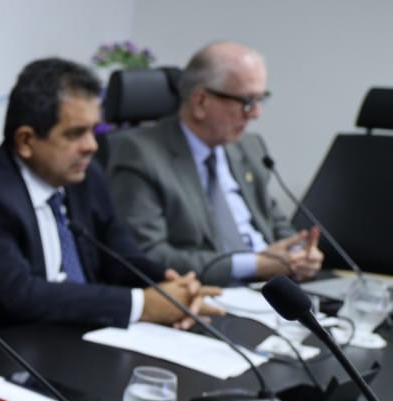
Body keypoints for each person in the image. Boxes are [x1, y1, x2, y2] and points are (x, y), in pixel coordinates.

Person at [0, 57, 222, 329]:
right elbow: (21, 296)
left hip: (83, 332)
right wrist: (142, 305)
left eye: (93, 130)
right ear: (26, 141)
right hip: (11, 344)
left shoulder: (85, 178)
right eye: (75, 134)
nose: (92, 146)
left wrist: (170, 286)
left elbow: (122, 257)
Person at [108, 41, 324, 286]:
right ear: (201, 101)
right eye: (247, 101)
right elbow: (149, 254)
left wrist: (301, 253)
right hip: (210, 291)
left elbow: (274, 222)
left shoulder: (249, 147)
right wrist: (255, 264)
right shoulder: (141, 154)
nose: (256, 114)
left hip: (277, 287)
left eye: (260, 100)